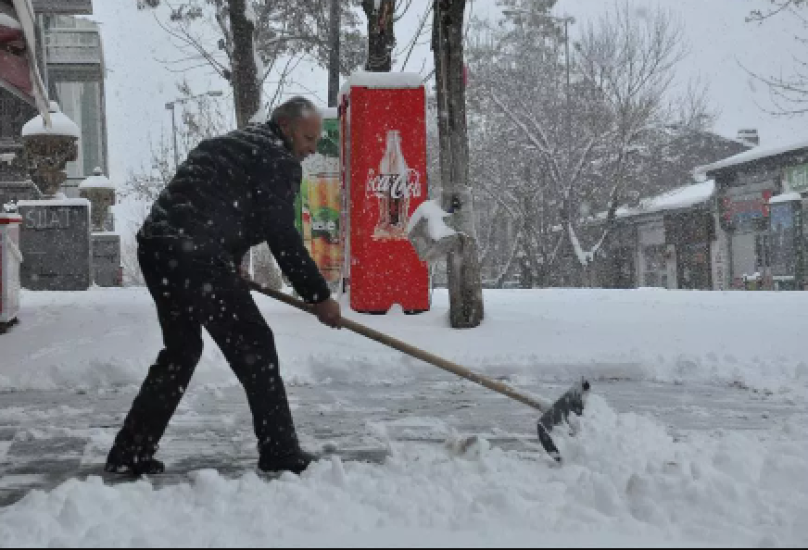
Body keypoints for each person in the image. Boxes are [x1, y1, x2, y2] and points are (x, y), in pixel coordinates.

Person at [105, 97, 341, 477]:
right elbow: (281, 235)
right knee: (256, 346)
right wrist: (319, 297)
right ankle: (279, 451)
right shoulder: (277, 160)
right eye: (309, 139)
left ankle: (130, 451)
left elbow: (213, 207)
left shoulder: (227, 145)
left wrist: (229, 264)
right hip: (195, 255)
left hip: (158, 249)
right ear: (285, 126)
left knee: (181, 351)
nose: (312, 150)